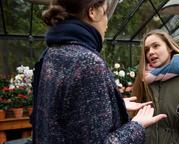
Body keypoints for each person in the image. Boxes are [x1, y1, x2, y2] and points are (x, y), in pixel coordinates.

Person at [31, 1, 167, 143]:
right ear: (92, 12)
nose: (107, 23)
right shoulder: (87, 62)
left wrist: (111, 105)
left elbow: (62, 116)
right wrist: (137, 126)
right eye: (105, 12)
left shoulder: (51, 54)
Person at [132, 29, 179, 144]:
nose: (150, 52)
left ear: (169, 47)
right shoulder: (145, 80)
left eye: (156, 46)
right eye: (147, 50)